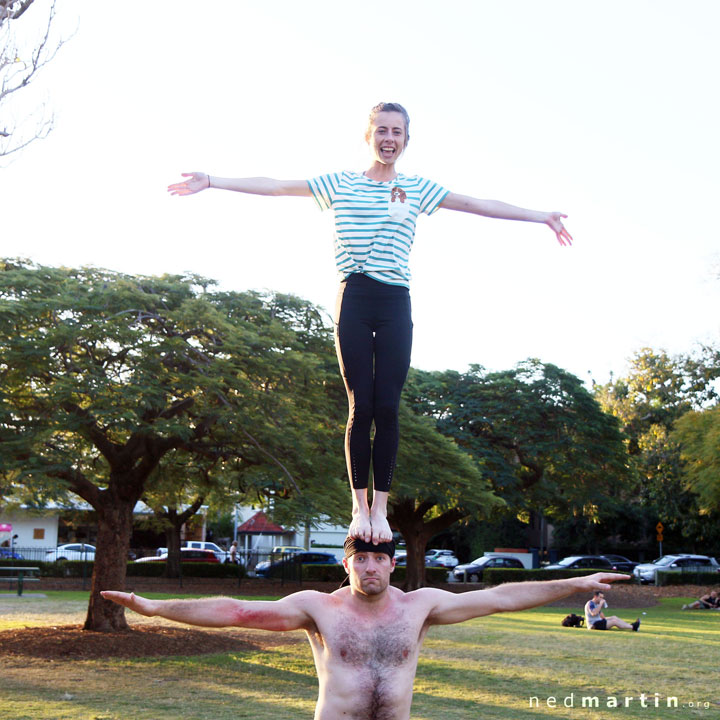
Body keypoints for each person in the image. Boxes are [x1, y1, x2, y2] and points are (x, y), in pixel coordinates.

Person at [168, 102, 573, 545]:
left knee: (388, 406)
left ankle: (381, 509)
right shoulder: (340, 184)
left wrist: (540, 217)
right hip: (354, 298)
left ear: (405, 140)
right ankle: (358, 507)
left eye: (397, 132)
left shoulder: (417, 188)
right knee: (361, 405)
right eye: (381, 130)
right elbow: (278, 186)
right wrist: (213, 181)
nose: (389, 138)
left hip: (395, 301)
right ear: (368, 136)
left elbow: (476, 204)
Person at [103, 538, 624, 720]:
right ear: (347, 567)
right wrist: (153, 608)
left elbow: (500, 597)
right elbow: (235, 611)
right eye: (362, 560)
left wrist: (575, 581)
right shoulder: (318, 607)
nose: (371, 567)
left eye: (380, 559)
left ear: (392, 566)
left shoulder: (421, 606)